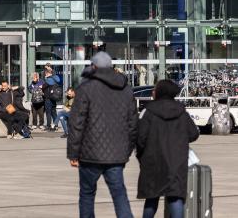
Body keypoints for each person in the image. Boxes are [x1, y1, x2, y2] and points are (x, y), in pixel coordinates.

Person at [67, 52, 137, 218]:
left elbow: (76, 123)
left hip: (89, 154)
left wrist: (73, 153)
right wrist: (126, 151)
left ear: (94, 67)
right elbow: (133, 125)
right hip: (116, 154)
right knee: (119, 194)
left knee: (87, 194)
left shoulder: (85, 88)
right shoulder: (126, 90)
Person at [136, 80, 199, 218]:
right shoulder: (181, 111)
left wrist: (141, 156)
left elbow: (140, 138)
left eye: (154, 89)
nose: (152, 92)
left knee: (151, 198)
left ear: (160, 92)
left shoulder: (148, 111)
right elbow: (193, 133)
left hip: (153, 162)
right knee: (175, 197)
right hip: (176, 162)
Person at [42, 67, 62, 131]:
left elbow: (43, 86)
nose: (45, 75)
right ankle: (55, 125)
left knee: (48, 113)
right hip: (54, 98)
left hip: (48, 98)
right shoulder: (55, 78)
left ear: (48, 73)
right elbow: (58, 80)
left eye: (45, 74)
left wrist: (42, 85)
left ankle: (48, 126)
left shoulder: (49, 80)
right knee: (54, 112)